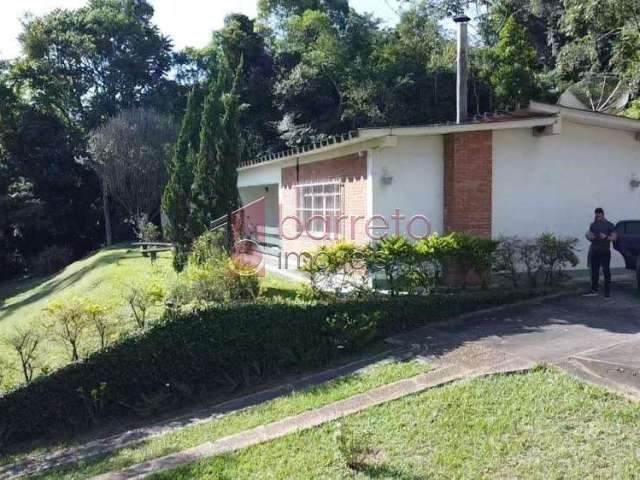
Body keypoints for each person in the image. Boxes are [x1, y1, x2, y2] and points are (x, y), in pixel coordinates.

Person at [584, 207, 617, 298]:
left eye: (599, 214)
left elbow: (614, 238)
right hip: (594, 251)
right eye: (596, 214)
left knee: (606, 271)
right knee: (594, 272)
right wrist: (590, 236)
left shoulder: (609, 225)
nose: (598, 216)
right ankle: (594, 290)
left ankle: (607, 291)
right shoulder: (593, 224)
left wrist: (606, 237)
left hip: (605, 252)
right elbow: (589, 234)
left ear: (603, 214)